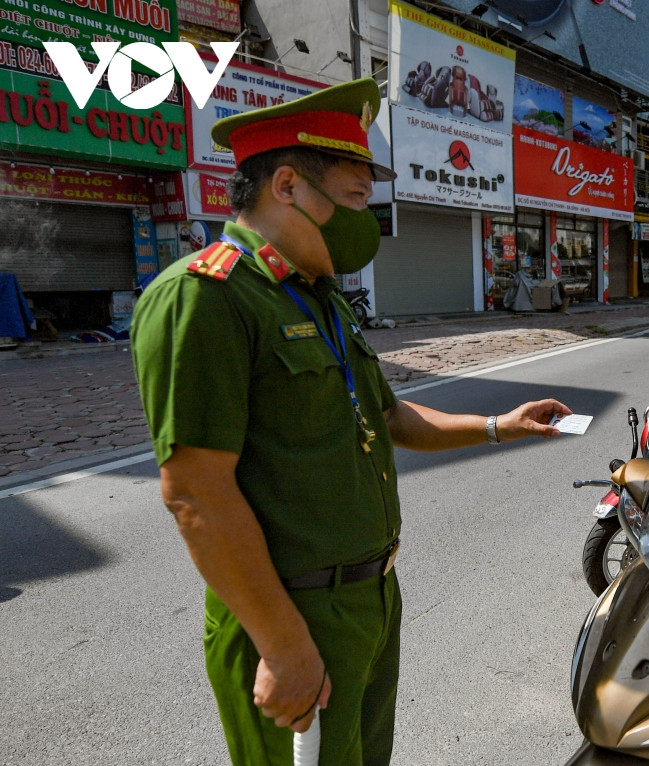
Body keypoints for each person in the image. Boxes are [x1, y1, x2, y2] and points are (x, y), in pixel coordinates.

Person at [130, 78, 570, 766]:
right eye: (358, 198)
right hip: (293, 613)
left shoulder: (319, 299)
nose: (371, 221)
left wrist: (497, 426)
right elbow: (195, 492)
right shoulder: (205, 297)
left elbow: (386, 414)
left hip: (371, 600)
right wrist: (280, 643)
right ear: (286, 187)